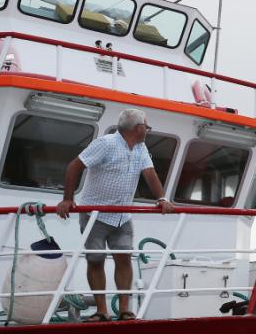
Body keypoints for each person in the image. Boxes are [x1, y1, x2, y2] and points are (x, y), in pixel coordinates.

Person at [57, 108, 174, 321]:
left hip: (122, 216)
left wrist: (162, 199)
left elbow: (150, 173)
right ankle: (101, 311)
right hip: (95, 215)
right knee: (95, 260)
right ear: (138, 128)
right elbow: (74, 166)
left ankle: (124, 309)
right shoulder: (106, 144)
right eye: (146, 127)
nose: (147, 131)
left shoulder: (140, 148)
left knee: (124, 259)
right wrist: (67, 199)